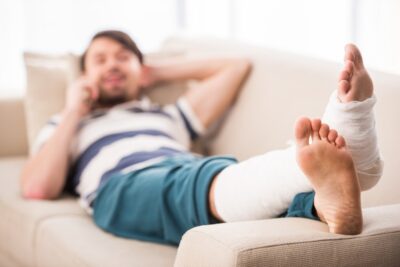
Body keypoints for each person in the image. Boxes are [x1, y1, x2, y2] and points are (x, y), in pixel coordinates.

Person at [20, 30, 383, 245]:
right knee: (205, 181)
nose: (112, 64)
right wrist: (73, 110)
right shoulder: (67, 126)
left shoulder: (165, 115)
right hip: (122, 187)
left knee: (226, 182)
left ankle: (324, 204)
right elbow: (38, 187)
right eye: (99, 60)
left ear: (140, 69)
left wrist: (154, 73)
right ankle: (347, 142)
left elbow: (236, 66)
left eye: (122, 57)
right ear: (84, 76)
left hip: (192, 171)